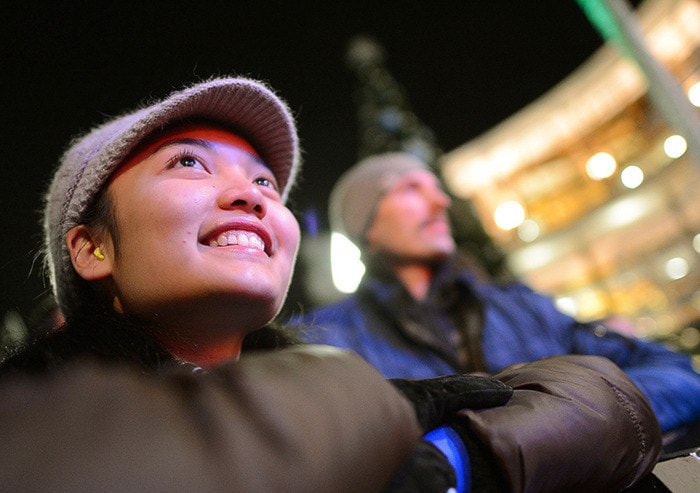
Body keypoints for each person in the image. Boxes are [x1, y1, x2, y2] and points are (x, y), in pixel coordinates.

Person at [0, 78, 660, 493]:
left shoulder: (346, 376)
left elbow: (614, 399)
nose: (250, 196)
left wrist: (461, 455)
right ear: (91, 247)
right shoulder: (34, 429)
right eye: (189, 163)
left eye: (264, 182)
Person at [293, 151, 700, 447]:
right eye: (410, 189)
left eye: (437, 189)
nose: (441, 203)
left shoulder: (521, 305)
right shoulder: (323, 340)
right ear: (367, 228)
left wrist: (557, 421)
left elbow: (679, 376)